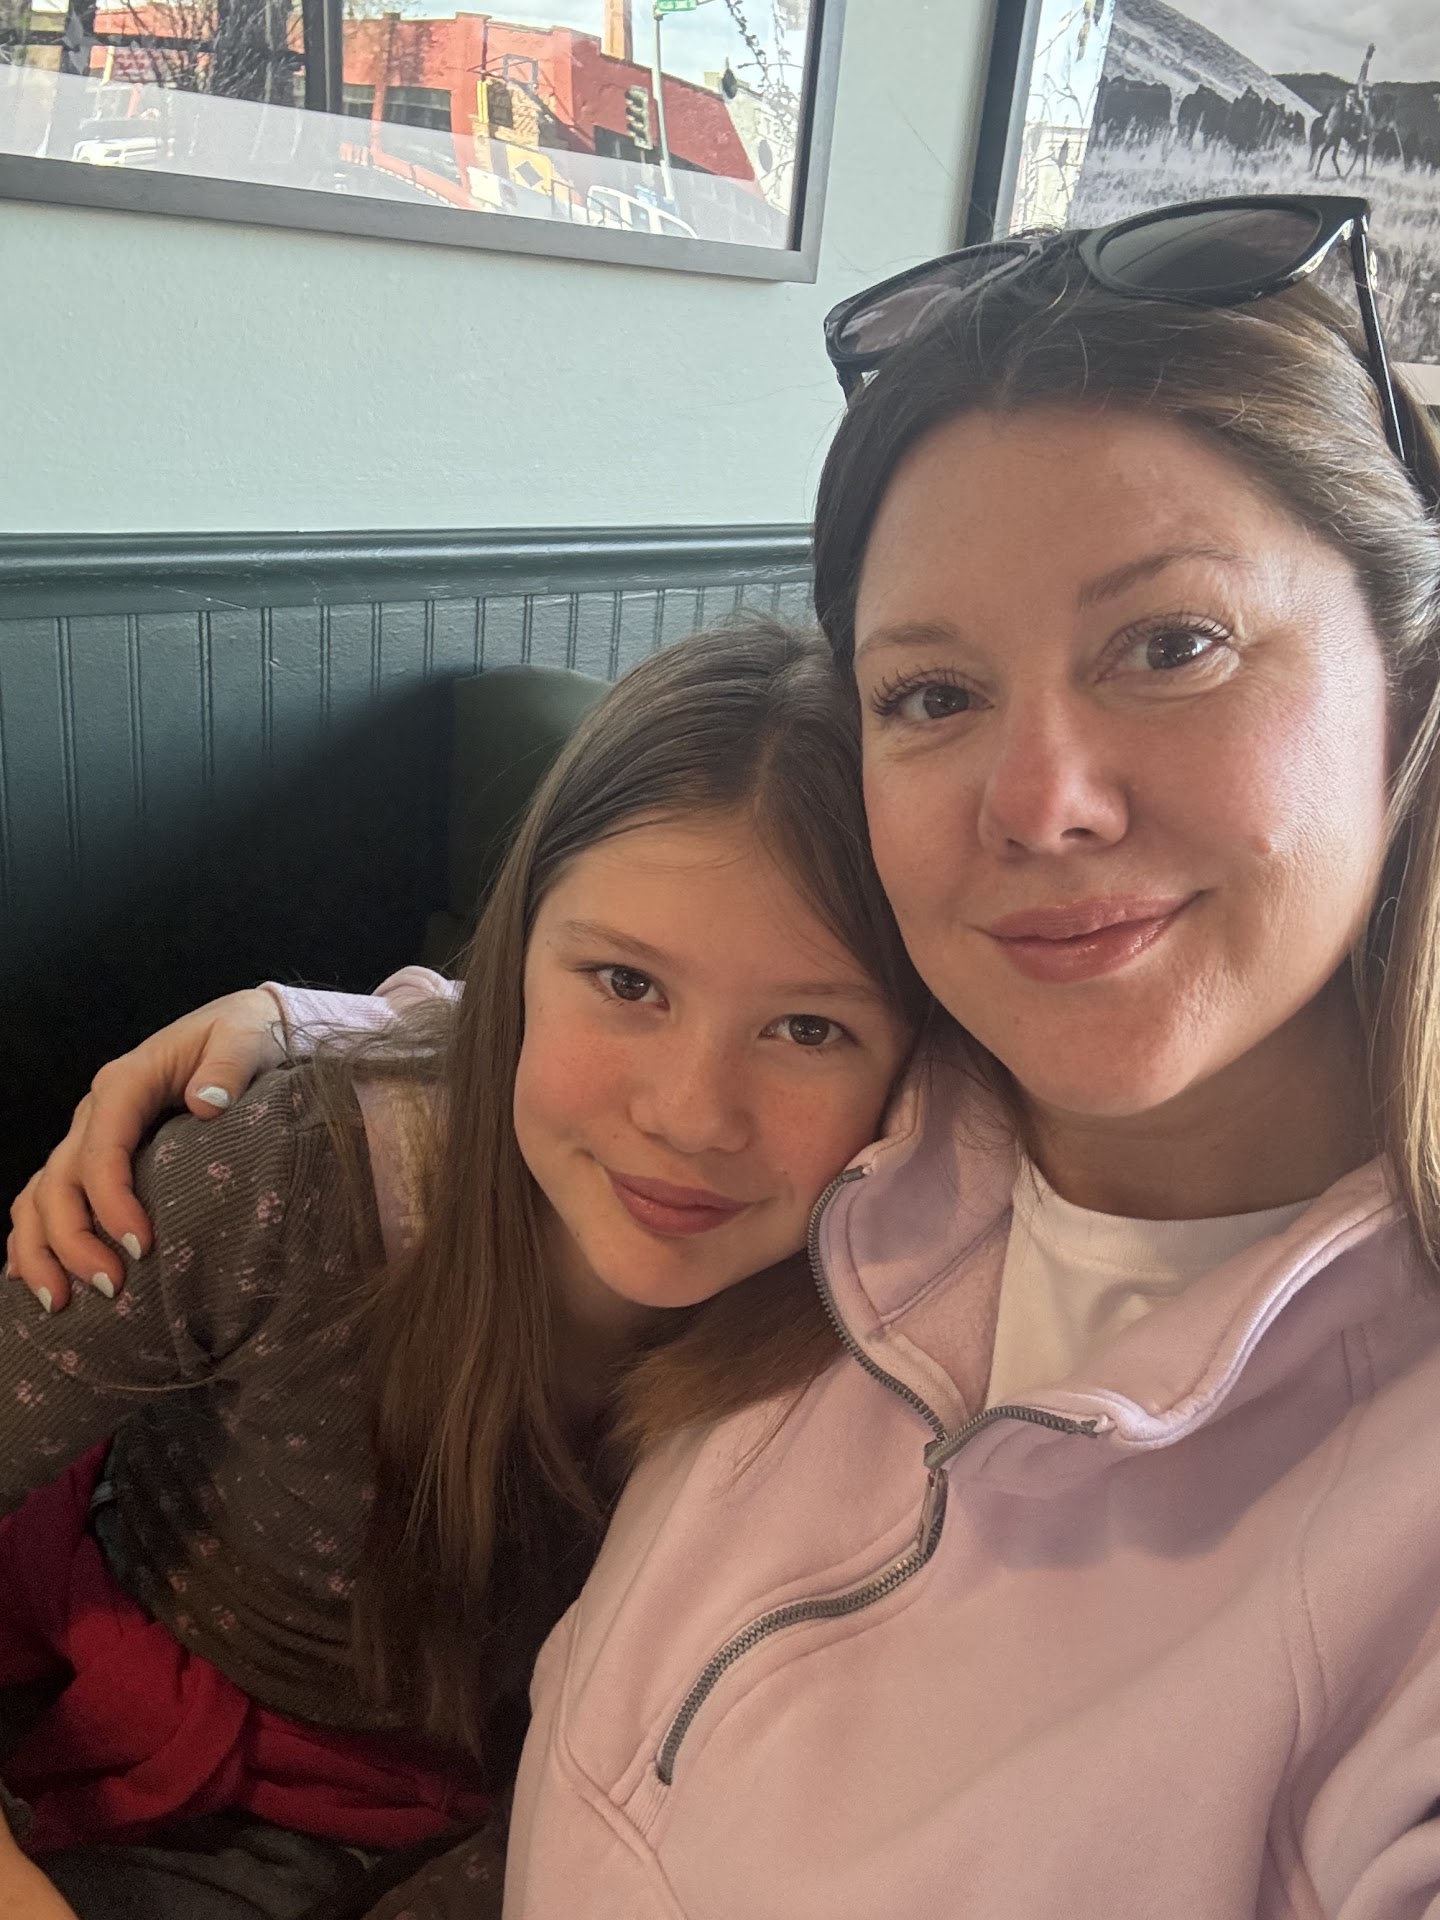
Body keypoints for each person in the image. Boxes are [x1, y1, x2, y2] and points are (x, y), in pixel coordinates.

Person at [15, 196, 1440, 1917]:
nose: (1041, 804)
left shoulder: (903, 1174)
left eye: (1174, 643)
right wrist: (330, 1032)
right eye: (932, 692)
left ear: (1409, 672)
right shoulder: (909, 1121)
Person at [0, 621, 920, 1919]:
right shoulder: (289, 1172)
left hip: (519, 1822)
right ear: (516, 963)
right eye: (627, 983)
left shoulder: (896, 1335)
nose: (690, 1115)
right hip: (104, 1728)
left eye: (810, 1027)